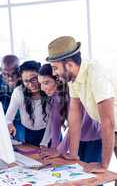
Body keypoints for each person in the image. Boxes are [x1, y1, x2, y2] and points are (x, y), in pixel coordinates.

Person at [46, 36, 117, 173]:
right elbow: (75, 115)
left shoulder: (96, 74)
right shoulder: (73, 78)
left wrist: (103, 165)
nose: (54, 73)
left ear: (69, 65)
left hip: (112, 126)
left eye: (55, 68)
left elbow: (107, 122)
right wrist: (73, 154)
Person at [38, 63, 102, 163]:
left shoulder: (76, 93)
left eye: (46, 83)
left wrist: (60, 149)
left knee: (92, 171)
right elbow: (56, 122)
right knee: (79, 170)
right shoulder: (56, 96)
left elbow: (78, 124)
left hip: (95, 138)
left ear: (58, 80)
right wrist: (54, 147)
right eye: (40, 83)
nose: (42, 88)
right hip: (78, 139)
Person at [6, 60, 49, 147]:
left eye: (34, 79)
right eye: (26, 81)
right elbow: (8, 119)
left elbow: (54, 123)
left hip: (50, 133)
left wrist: (44, 143)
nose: (31, 85)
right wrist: (9, 124)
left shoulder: (49, 90)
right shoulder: (19, 92)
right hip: (29, 133)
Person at [0, 55, 25, 143]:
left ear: (19, 70)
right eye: (5, 74)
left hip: (22, 118)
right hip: (4, 117)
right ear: (1, 70)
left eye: (13, 73)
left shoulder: (25, 80)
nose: (10, 78)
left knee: (20, 140)